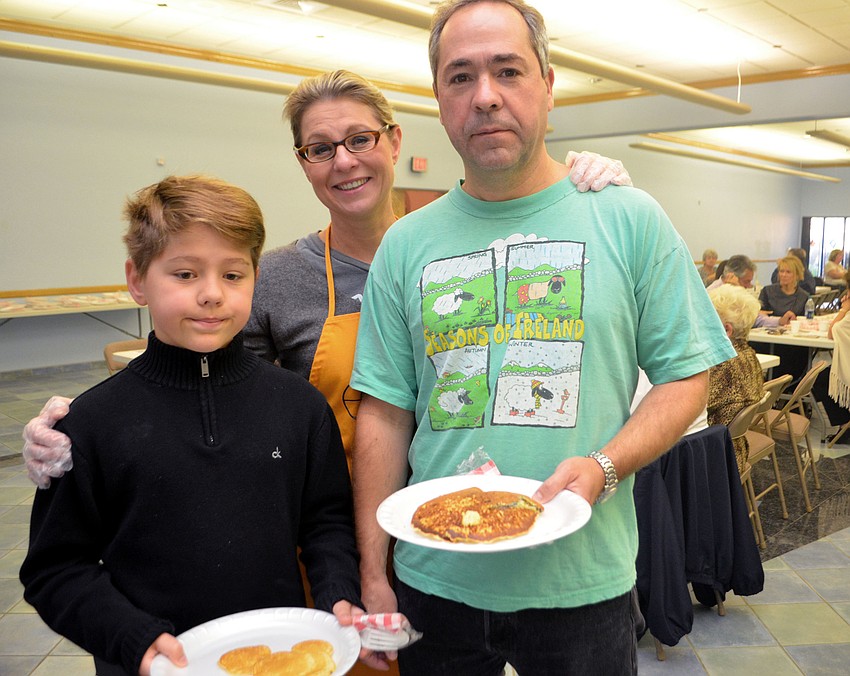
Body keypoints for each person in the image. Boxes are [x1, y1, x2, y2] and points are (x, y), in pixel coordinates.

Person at [348, 1, 735, 673]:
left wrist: (605, 466)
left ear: (549, 87)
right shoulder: (405, 244)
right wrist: (374, 572)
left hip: (579, 583)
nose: (486, 96)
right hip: (434, 582)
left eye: (508, 70)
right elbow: (384, 413)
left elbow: (687, 374)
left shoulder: (629, 218)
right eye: (460, 77)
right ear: (439, 98)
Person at [22, 70, 631, 486]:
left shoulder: (464, 250)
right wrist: (82, 427)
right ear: (303, 162)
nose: (344, 161)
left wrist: (585, 183)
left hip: (458, 505)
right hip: (323, 522)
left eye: (359, 139)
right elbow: (207, 389)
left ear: (394, 143)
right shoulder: (275, 278)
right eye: (321, 148)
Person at [19, 176, 363, 676]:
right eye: (184, 274)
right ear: (137, 280)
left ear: (255, 277)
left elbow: (326, 522)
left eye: (233, 275)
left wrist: (337, 593)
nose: (211, 295)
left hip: (280, 658)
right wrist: (129, 637)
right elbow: (54, 570)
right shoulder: (91, 424)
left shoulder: (299, 406)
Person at [706, 285, 765, 474]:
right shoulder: (749, 356)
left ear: (726, 329)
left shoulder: (724, 366)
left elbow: (689, 410)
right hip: (736, 449)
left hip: (715, 457)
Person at [707, 254, 793, 327]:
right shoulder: (711, 295)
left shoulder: (739, 292)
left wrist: (780, 321)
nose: (749, 286)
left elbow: (754, 317)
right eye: (746, 281)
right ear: (732, 276)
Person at [760, 255, 811, 319]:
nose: (784, 275)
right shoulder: (767, 291)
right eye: (781, 271)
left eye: (788, 272)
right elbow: (759, 315)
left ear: (797, 275)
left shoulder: (803, 297)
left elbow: (807, 320)